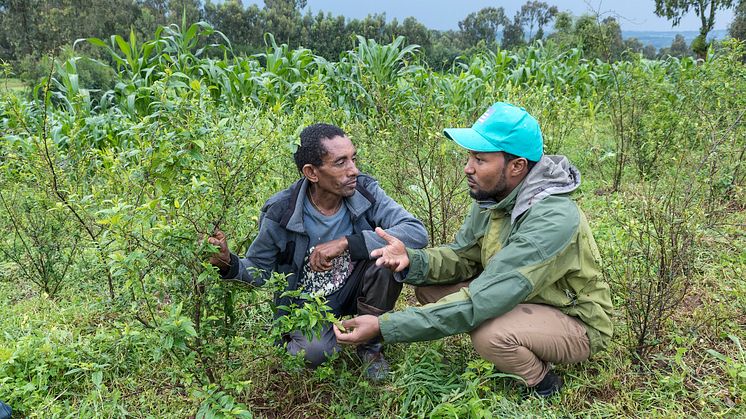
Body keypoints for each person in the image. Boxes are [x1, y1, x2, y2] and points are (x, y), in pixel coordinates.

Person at [334, 102, 613, 397]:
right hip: (524, 296)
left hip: (573, 319)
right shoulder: (494, 197)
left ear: (517, 166)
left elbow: (483, 300)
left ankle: (542, 382)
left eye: (480, 159)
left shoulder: (552, 217)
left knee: (490, 335)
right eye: (470, 157)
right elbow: (463, 257)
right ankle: (517, 332)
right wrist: (412, 260)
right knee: (430, 290)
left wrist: (384, 326)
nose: (468, 168)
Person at [208, 123, 428, 380]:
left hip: (352, 286)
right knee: (314, 353)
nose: (353, 170)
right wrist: (227, 264)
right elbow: (258, 270)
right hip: (307, 305)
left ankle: (370, 347)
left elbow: (415, 232)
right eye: (340, 163)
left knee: (387, 260)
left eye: (353, 159)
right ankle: (303, 337)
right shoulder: (281, 212)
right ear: (312, 172)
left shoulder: (365, 192)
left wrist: (347, 242)